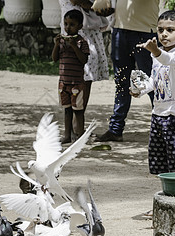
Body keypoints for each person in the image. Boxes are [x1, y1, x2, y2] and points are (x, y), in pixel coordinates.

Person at [130, 10, 175, 174]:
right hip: (158, 115)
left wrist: (154, 50)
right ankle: (168, 191)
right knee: (158, 162)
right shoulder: (157, 55)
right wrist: (140, 90)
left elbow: (166, 59)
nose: (164, 34)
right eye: (160, 30)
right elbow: (154, 80)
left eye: (170, 30)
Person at [95, 0, 160, 142]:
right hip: (120, 31)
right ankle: (115, 129)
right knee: (121, 82)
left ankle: (164, 127)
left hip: (145, 33)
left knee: (152, 82)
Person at [58, 0, 109, 144]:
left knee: (84, 80)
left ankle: (76, 130)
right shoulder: (74, 30)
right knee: (81, 79)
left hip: (86, 30)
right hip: (81, 30)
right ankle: (74, 130)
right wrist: (97, 7)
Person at [52, 9, 90, 144]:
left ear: (80, 26)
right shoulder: (62, 41)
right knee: (67, 110)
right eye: (66, 24)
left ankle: (80, 136)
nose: (68, 28)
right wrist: (56, 44)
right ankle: (67, 135)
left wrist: (74, 46)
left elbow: (83, 60)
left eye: (72, 24)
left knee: (78, 111)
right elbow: (54, 58)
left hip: (77, 84)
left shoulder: (81, 42)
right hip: (63, 83)